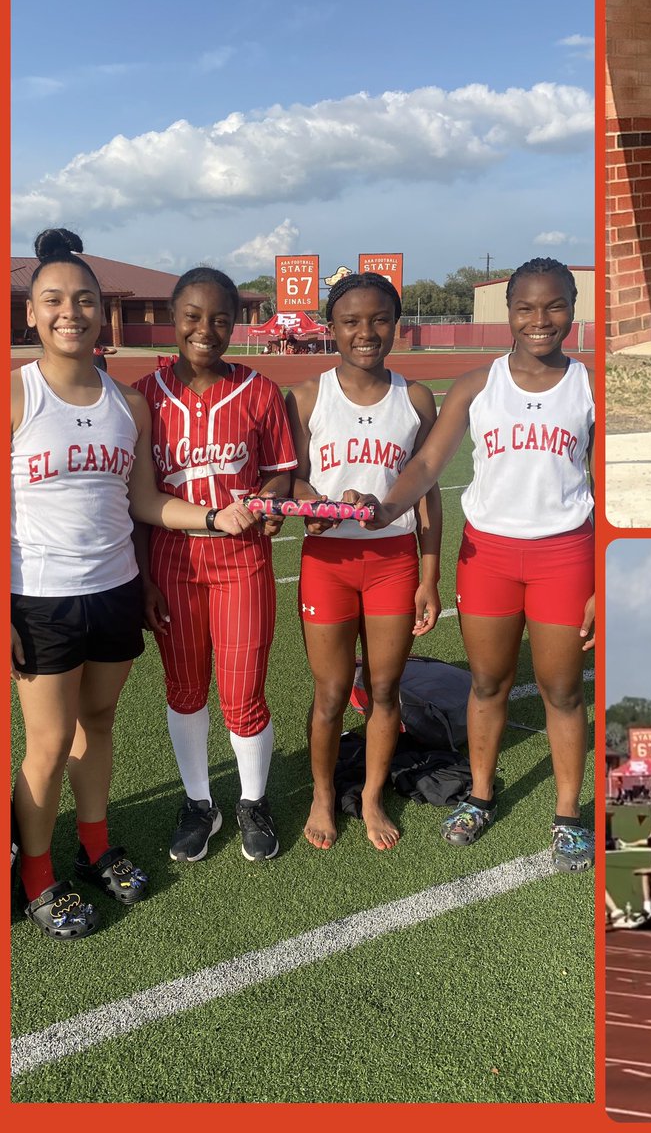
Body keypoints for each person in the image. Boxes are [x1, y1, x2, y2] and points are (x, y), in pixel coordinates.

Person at [11, 229, 258, 939]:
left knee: (100, 725)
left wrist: (213, 515)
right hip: (40, 598)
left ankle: (94, 846)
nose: (70, 312)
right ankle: (38, 877)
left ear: (100, 313)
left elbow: (144, 501)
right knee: (49, 743)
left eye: (84, 300)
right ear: (33, 313)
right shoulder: (16, 393)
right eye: (54, 300)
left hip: (116, 589)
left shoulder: (129, 405)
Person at [355, 258, 595, 871]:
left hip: (564, 556)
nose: (540, 320)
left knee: (562, 691)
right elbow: (427, 465)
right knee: (487, 685)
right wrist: (385, 509)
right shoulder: (474, 386)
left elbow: (612, 485)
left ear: (572, 306)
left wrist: (605, 577)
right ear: (507, 311)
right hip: (487, 556)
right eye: (526, 308)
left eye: (554, 306)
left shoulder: (590, 386)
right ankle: (482, 796)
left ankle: (568, 813)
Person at [135, 267, 296, 864]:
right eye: (193, 317)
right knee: (183, 692)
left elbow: (281, 469)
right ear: (173, 321)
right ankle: (200, 801)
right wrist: (145, 579)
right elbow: (134, 498)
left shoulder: (257, 391)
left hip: (242, 563)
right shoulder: (143, 396)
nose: (206, 329)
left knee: (244, 694)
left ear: (237, 323)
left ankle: (253, 799)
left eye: (221, 319)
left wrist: (274, 500)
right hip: (172, 567)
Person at [284, 271, 442, 851]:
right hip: (328, 560)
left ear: (396, 326)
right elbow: (292, 478)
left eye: (379, 320)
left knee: (384, 688)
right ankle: (323, 795)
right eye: (351, 321)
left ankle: (372, 795)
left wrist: (430, 576)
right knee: (329, 693)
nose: (366, 332)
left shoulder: (416, 399)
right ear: (332, 329)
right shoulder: (306, 397)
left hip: (394, 560)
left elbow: (426, 494)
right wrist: (315, 506)